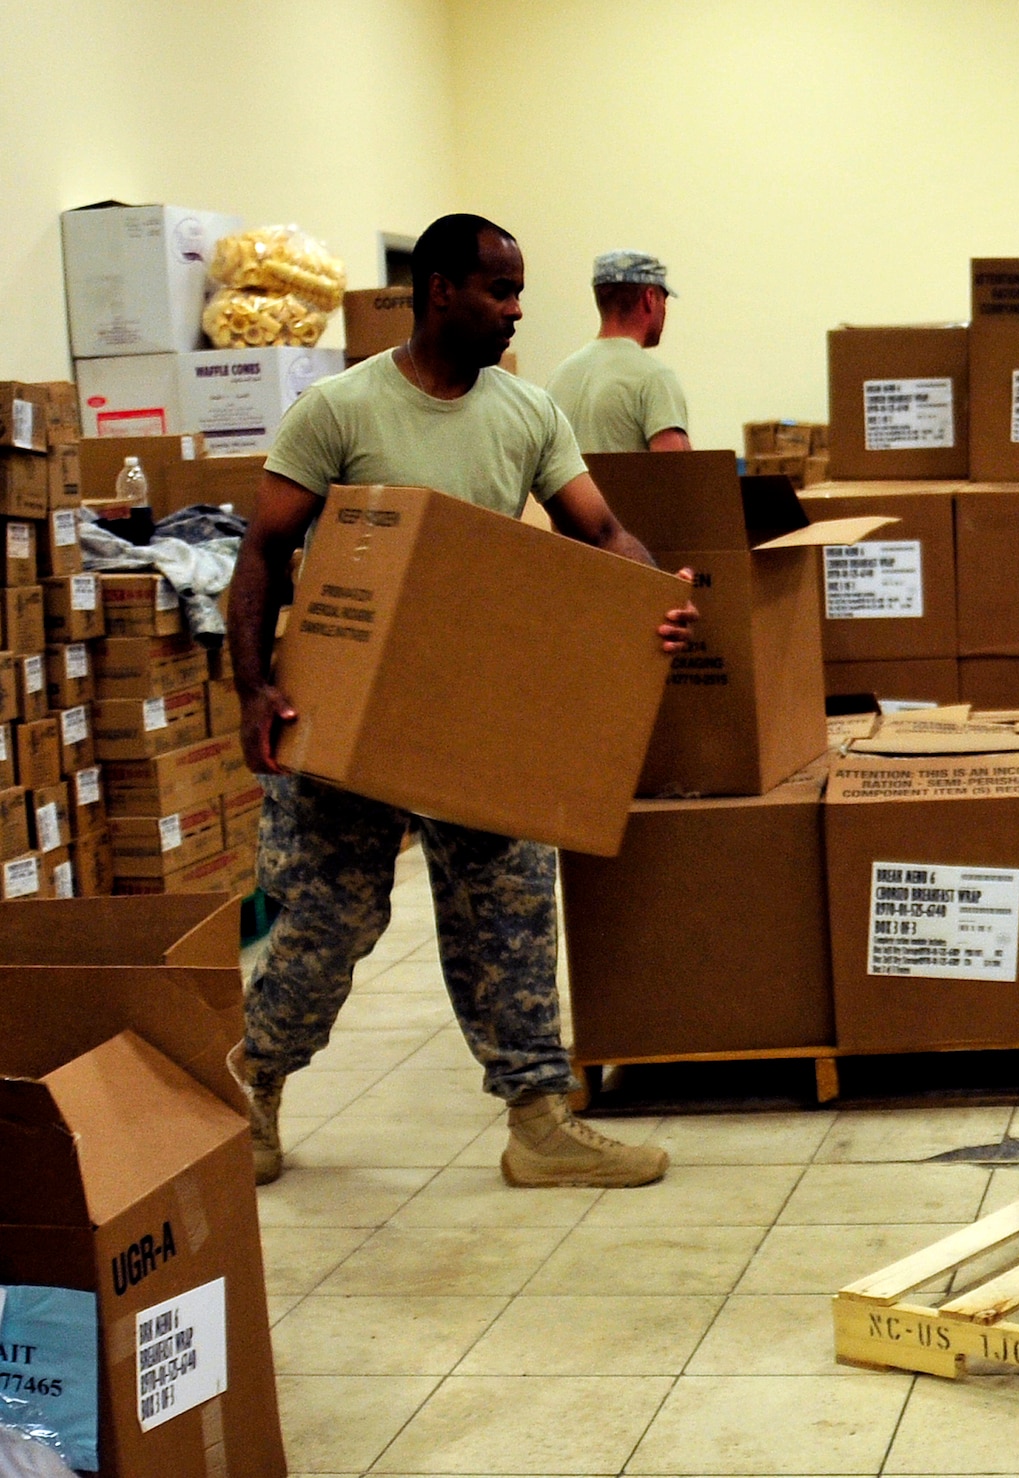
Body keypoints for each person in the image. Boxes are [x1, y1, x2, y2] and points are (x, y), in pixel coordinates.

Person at [226, 213, 699, 1191]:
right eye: (500, 290)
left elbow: (601, 530)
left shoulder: (527, 413)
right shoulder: (340, 409)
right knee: (325, 926)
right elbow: (263, 550)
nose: (516, 309)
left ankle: (539, 1121)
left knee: (510, 916)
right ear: (440, 288)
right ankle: (255, 1081)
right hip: (350, 711)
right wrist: (254, 688)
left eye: (519, 291)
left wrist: (653, 599)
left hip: (477, 706)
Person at [546, 250, 692, 453]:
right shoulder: (654, 378)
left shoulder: (559, 377)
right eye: (663, 300)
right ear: (649, 298)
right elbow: (680, 475)